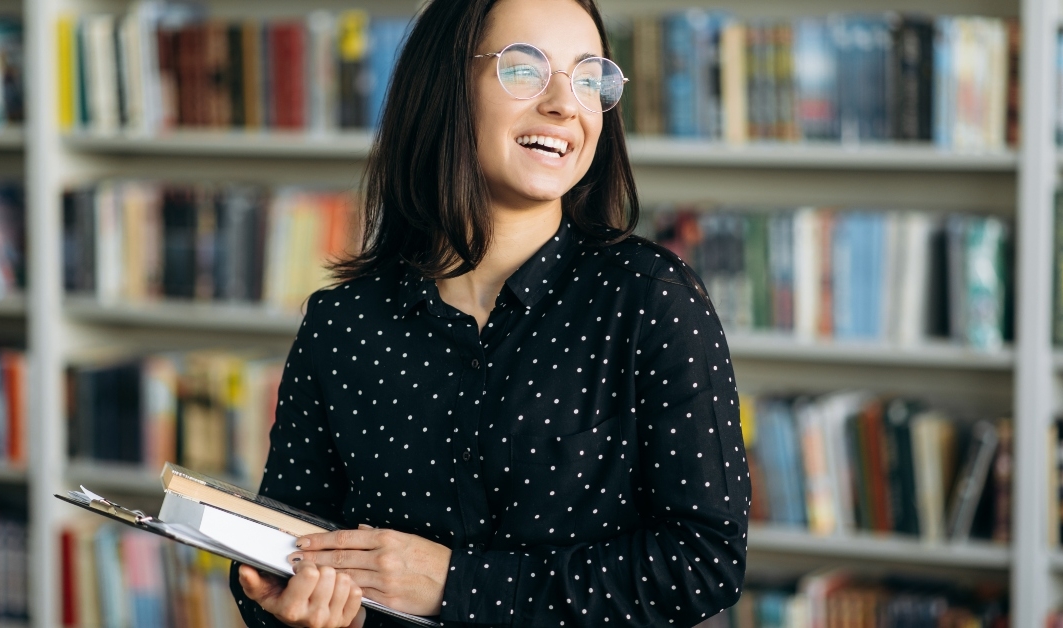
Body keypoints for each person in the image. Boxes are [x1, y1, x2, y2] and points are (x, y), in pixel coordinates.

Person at [230, 0, 751, 625]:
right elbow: (285, 548)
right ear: (445, 87)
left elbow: (704, 561)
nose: (566, 104)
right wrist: (285, 609)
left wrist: (453, 583)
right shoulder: (341, 323)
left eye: (589, 76)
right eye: (524, 69)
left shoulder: (650, 299)